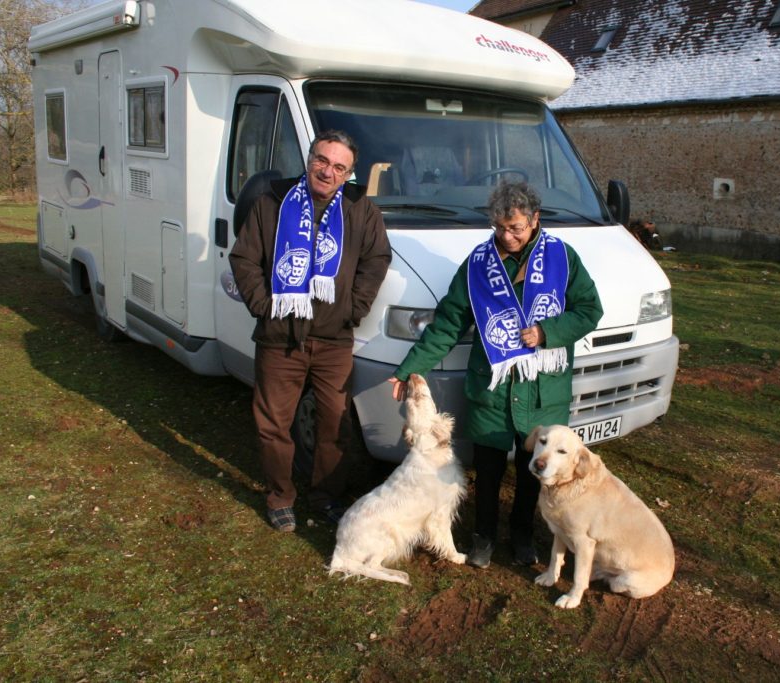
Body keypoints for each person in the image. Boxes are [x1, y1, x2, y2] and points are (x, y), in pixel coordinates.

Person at [388, 182, 602, 567]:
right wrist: (409, 368)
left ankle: (521, 535)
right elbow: (449, 322)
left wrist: (547, 332)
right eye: (500, 227)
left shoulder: (563, 258)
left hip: (542, 391)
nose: (507, 236)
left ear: (535, 220)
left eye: (516, 228)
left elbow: (589, 310)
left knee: (530, 472)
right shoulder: (478, 264)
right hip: (493, 390)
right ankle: (483, 536)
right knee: (486, 473)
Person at [230, 130, 392, 531]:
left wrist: (354, 308)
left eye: (339, 166)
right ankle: (281, 496)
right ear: (309, 158)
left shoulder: (360, 209)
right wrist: (265, 307)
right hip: (279, 337)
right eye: (322, 160)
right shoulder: (273, 200)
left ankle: (327, 496)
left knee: (334, 423)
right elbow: (244, 258)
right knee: (273, 423)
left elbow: (376, 259)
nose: (328, 171)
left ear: (348, 173)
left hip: (333, 339)